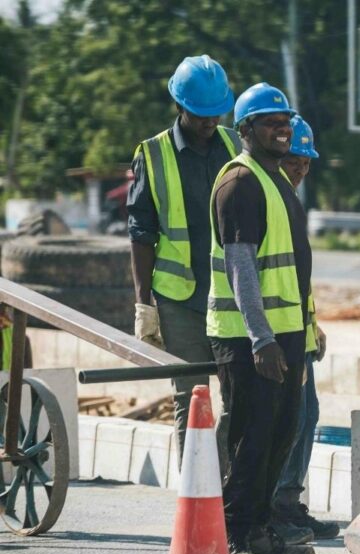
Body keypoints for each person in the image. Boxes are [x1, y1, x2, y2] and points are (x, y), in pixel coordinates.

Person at [207, 82, 314, 554]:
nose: (282, 129)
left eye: (285, 121)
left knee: (281, 433)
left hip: (285, 335)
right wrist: (261, 337)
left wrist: (300, 340)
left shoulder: (276, 181)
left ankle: (259, 528)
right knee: (250, 437)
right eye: (271, 122)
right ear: (245, 130)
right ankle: (233, 535)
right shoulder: (240, 182)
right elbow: (241, 267)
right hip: (249, 336)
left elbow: (291, 271)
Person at [128, 55, 240, 466]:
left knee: (239, 397)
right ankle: (195, 493)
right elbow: (141, 234)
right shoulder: (153, 155)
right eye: (201, 114)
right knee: (192, 398)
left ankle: (225, 487)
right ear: (180, 106)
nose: (210, 121)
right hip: (180, 300)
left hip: (231, 295)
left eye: (216, 112)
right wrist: (144, 304)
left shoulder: (237, 146)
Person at [271, 115, 341, 540]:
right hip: (273, 334)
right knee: (286, 419)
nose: (300, 170)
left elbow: (297, 279)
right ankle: (273, 505)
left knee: (306, 413)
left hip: (296, 331)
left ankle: (287, 501)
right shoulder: (268, 198)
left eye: (306, 163)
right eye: (294, 161)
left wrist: (313, 326)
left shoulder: (290, 201)